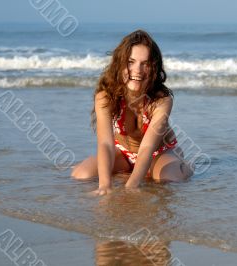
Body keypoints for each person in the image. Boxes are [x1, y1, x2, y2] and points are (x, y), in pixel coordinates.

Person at [71, 30, 193, 195]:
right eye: (131, 62)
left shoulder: (161, 101)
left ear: (154, 68)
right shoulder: (105, 97)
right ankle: (128, 173)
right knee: (81, 175)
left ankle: (185, 165)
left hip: (158, 153)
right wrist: (105, 186)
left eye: (145, 63)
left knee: (169, 179)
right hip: (123, 153)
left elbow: (147, 148)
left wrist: (131, 186)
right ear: (119, 64)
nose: (138, 70)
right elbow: (106, 144)